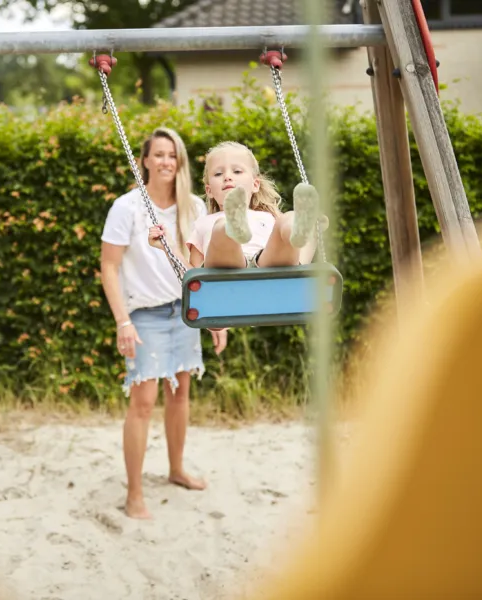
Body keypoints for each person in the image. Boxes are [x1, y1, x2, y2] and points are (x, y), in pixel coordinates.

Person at [99, 127, 225, 520]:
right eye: (159, 154)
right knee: (143, 403)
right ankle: (134, 493)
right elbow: (109, 265)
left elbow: (202, 267)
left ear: (180, 161)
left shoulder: (194, 208)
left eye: (173, 155)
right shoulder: (127, 207)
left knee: (181, 394)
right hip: (145, 315)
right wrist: (123, 321)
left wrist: (213, 317)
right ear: (145, 161)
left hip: (184, 311)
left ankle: (175, 469)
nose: (166, 161)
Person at [149, 140, 327, 271]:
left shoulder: (268, 218)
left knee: (287, 219)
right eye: (218, 173)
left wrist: (313, 231)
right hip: (225, 273)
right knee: (221, 227)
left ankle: (302, 225)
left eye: (237, 171)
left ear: (255, 185)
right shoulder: (204, 223)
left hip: (265, 265)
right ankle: (232, 225)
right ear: (209, 190)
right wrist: (169, 247)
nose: (227, 176)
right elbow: (192, 275)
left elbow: (298, 258)